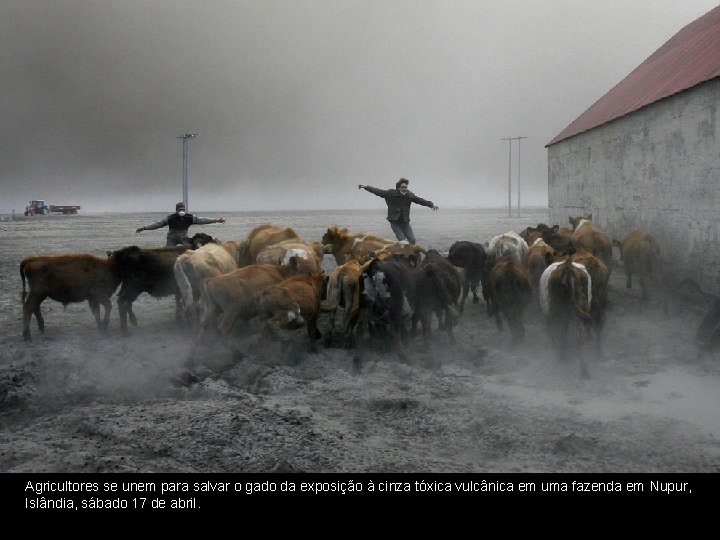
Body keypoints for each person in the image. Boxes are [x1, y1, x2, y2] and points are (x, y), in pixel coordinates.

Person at [358, 178, 439, 245]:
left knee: (412, 240)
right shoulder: (391, 194)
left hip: (405, 222)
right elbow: (378, 191)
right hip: (395, 222)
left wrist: (431, 205)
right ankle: (403, 256)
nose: (404, 189)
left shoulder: (409, 195)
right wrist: (366, 187)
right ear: (398, 188)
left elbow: (420, 200)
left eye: (405, 187)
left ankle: (413, 255)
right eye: (402, 187)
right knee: (403, 241)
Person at [136, 202, 225, 246]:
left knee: (191, 249)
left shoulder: (189, 217)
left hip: (183, 238)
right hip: (172, 238)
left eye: (183, 209)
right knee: (168, 252)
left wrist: (216, 220)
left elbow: (202, 220)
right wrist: (144, 228)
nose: (182, 211)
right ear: (176, 210)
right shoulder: (170, 218)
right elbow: (158, 224)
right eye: (180, 209)